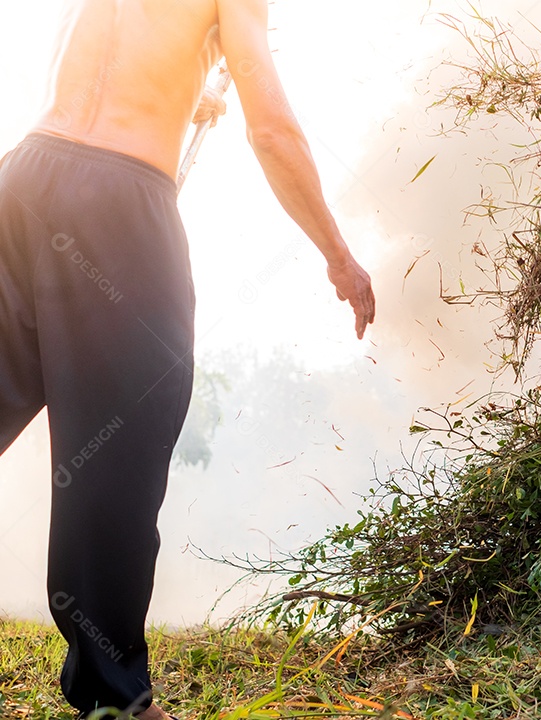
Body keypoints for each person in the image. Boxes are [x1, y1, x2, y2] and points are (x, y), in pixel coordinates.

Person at [0, 0, 376, 717]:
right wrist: (339, 255)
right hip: (116, 205)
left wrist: (179, 91)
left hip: (23, 177)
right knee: (124, 434)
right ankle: (117, 698)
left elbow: (102, 73)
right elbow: (272, 129)